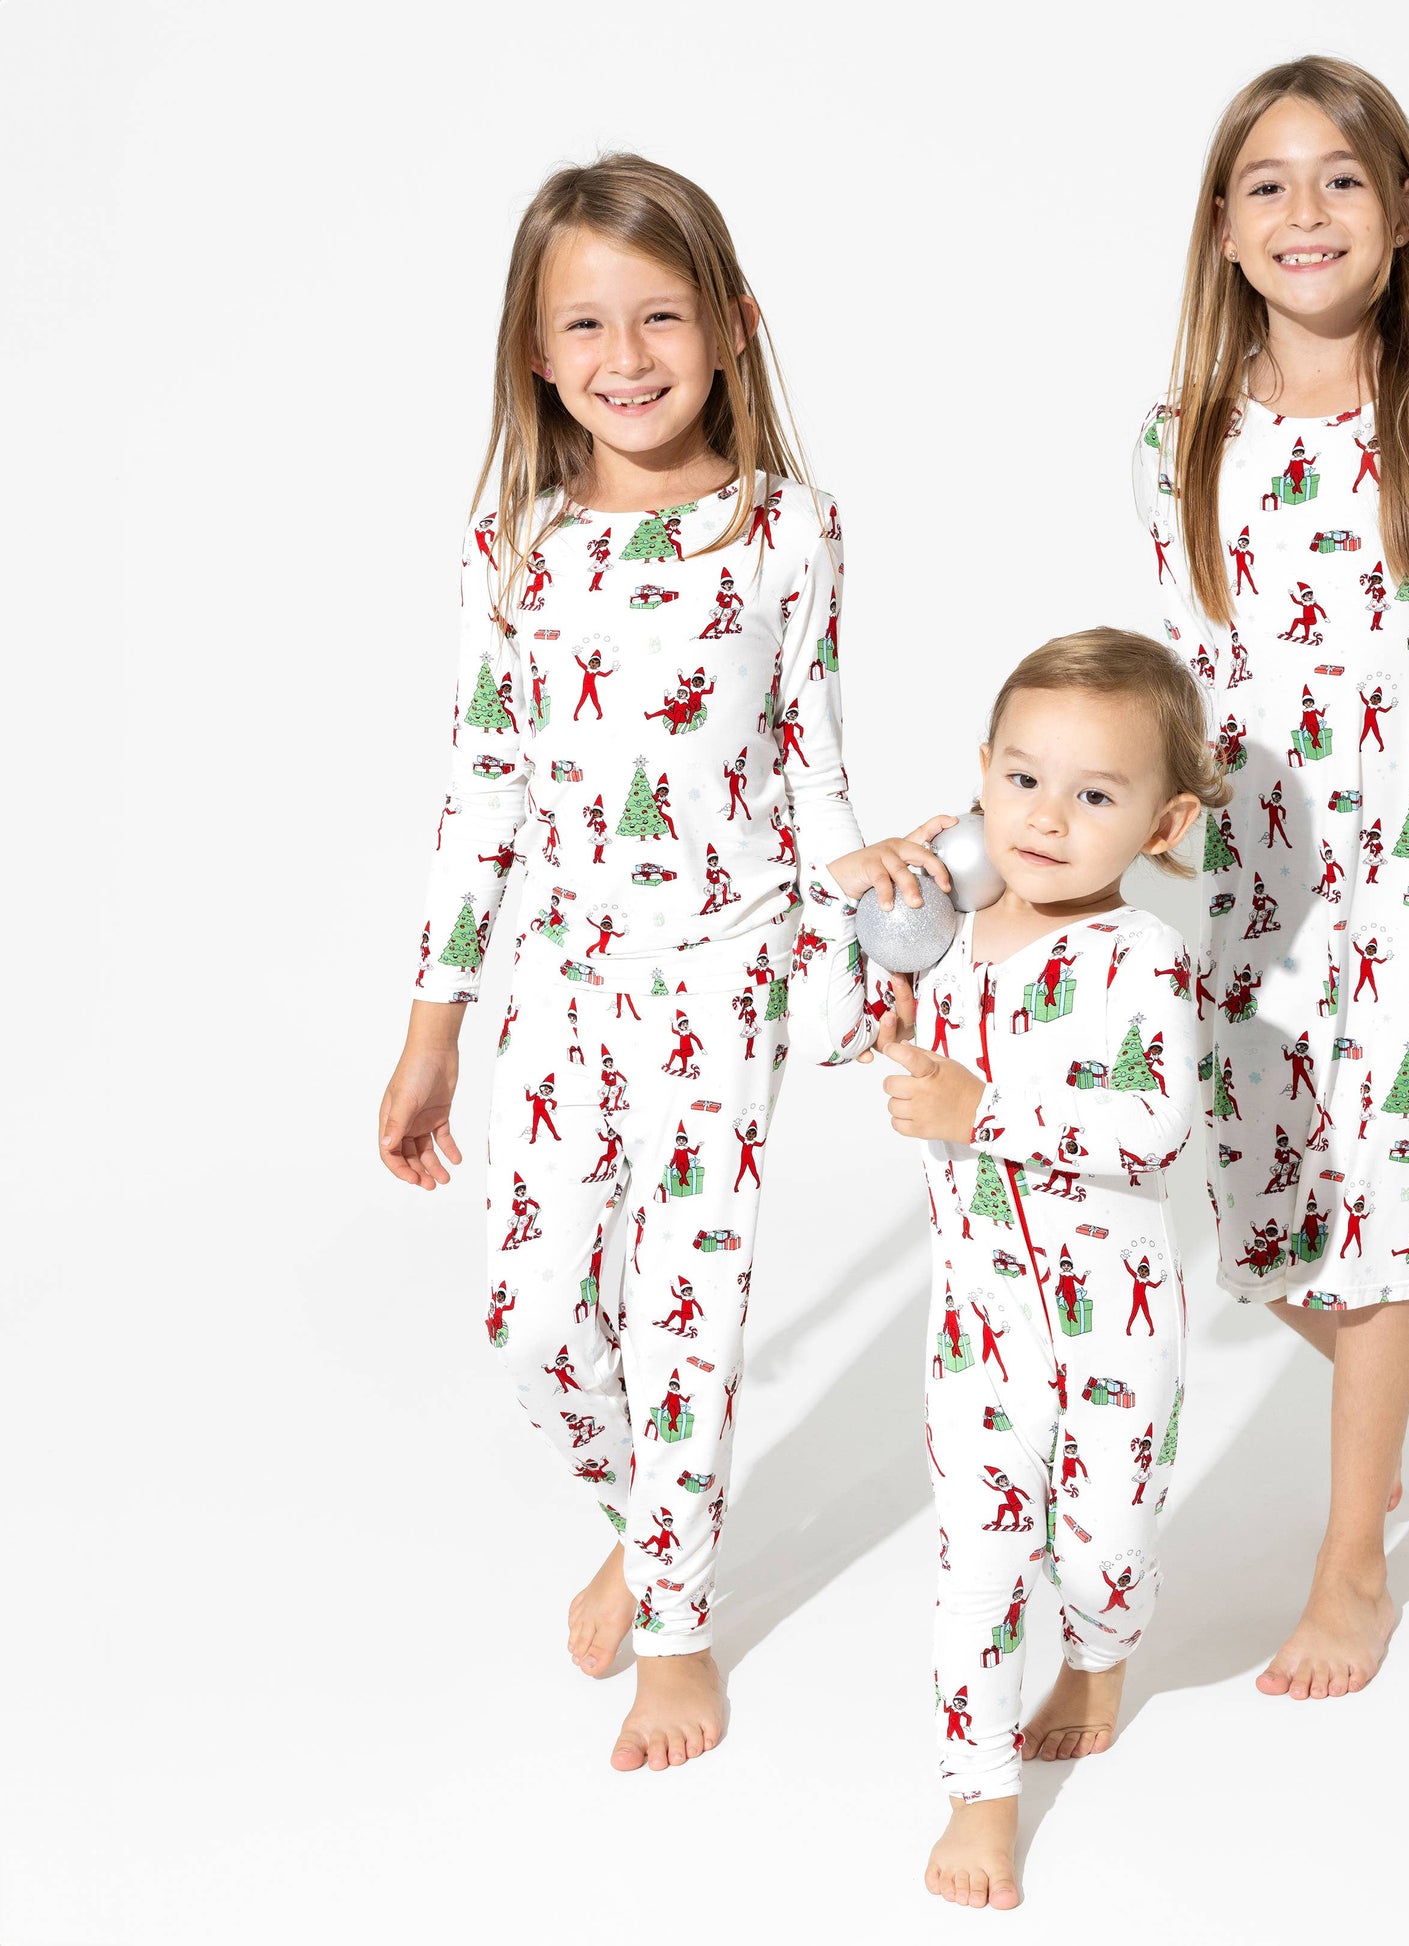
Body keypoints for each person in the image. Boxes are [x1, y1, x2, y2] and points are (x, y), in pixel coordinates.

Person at [376, 152, 904, 1775]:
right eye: (586, 324)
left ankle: (676, 1622)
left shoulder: (787, 532)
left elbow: (815, 767)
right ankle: (641, 1522)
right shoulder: (512, 547)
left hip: (726, 980)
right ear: (535, 354)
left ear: (732, 326)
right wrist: (434, 1024)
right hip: (564, 985)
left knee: (686, 1310)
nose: (626, 355)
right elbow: (483, 788)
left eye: (661, 315)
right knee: (535, 1317)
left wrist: (859, 956)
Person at [1131, 57, 1409, 1703]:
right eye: (1267, 184)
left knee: (1374, 1222)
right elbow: (1185, 671)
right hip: (1266, 889)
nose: (1305, 212)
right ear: (1223, 228)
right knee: (1260, 1224)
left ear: (1401, 209)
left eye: (1341, 179)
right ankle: (1388, 1398)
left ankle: (1350, 1561)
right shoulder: (1180, 435)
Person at [792, 629, 1228, 1911]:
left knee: (1101, 1555)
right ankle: (977, 1792)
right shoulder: (939, 938)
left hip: (1115, 1333)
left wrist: (982, 1109)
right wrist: (869, 900)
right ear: (978, 772)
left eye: (1094, 795)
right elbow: (823, 1030)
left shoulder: (1140, 958)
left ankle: (1099, 1652)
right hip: (977, 1329)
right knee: (978, 1561)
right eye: (1021, 780)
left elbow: (1152, 1124)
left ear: (1163, 823)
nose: (1044, 818)